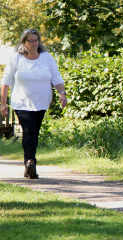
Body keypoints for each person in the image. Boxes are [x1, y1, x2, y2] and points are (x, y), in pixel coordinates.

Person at [0, 28, 67, 179]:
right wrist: (3, 103)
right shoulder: (16, 58)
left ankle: (28, 166)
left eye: (36, 40)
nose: (34, 43)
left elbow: (56, 77)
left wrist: (62, 94)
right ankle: (30, 162)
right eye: (30, 41)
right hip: (21, 102)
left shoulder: (46, 57)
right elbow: (5, 81)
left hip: (41, 102)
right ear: (24, 42)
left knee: (34, 133)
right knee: (29, 130)